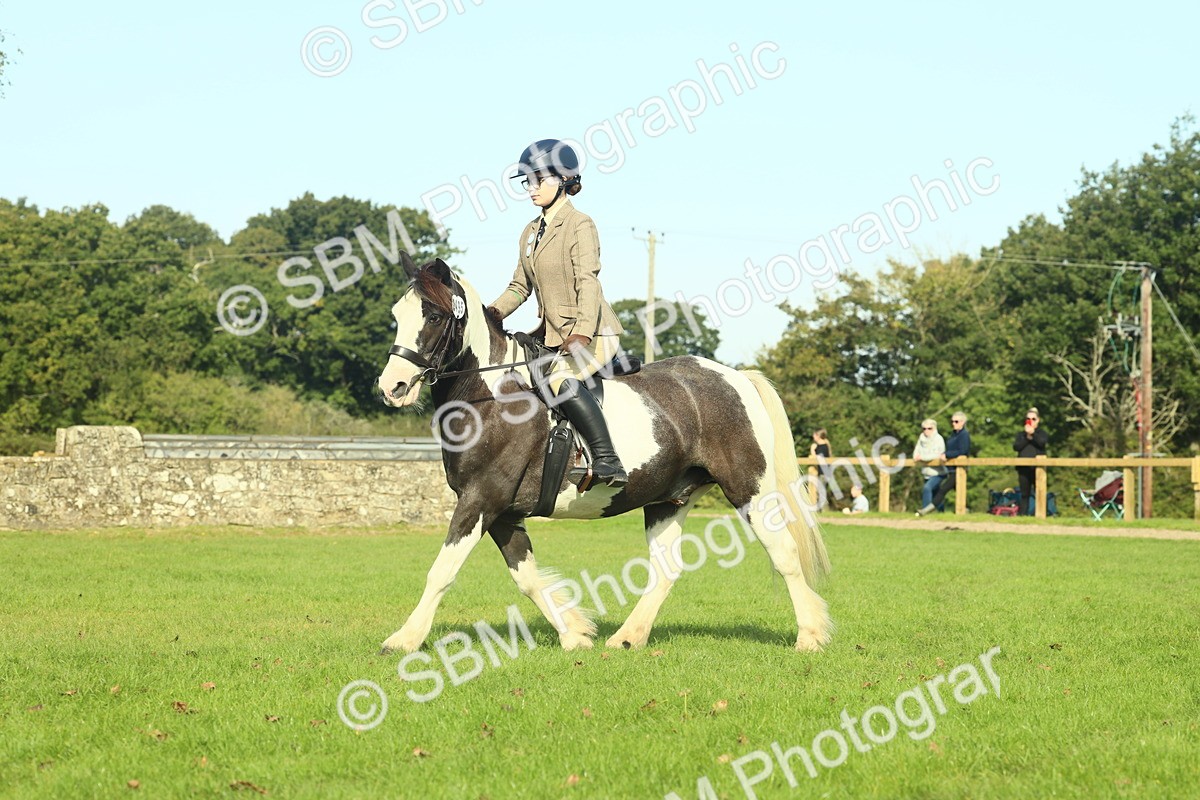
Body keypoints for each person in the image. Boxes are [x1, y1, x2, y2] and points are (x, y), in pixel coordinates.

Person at [487, 139, 628, 488]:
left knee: (557, 381)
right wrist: (490, 313)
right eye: (527, 182)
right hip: (551, 337)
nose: (531, 189)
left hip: (593, 334)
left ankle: (609, 461)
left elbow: (588, 281)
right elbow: (519, 287)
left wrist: (582, 330)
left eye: (539, 180)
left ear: (563, 180)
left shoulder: (580, 224)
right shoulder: (530, 232)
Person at [918, 411, 971, 516]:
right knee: (958, 491)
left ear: (963, 422)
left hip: (959, 469)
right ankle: (966, 510)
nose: (953, 424)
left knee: (943, 489)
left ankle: (926, 510)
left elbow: (963, 450)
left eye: (956, 421)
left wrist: (947, 454)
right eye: (952, 421)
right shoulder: (953, 434)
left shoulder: (964, 435)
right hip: (951, 468)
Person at [1012, 406, 1048, 515]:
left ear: (1038, 420)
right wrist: (1027, 436)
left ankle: (1042, 514)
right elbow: (1016, 447)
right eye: (1028, 419)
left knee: (1040, 493)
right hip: (1023, 468)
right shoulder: (1021, 435)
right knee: (1024, 494)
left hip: (1038, 468)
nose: (1031, 421)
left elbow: (1041, 443)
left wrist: (1033, 434)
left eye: (1033, 419)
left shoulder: (1041, 433)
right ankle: (1023, 515)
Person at [912, 418, 947, 511]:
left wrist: (922, 458)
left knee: (927, 488)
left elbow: (937, 455)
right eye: (924, 428)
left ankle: (925, 511)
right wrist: (917, 457)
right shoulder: (921, 438)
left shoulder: (939, 439)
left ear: (934, 429)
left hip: (938, 472)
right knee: (936, 493)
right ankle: (941, 513)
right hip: (926, 472)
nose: (926, 431)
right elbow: (916, 452)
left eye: (929, 428)